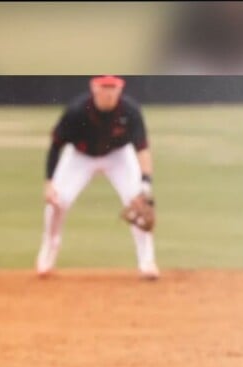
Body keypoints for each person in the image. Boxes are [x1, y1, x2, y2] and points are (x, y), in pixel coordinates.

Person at [36, 75, 160, 280]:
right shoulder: (77, 111)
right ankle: (49, 248)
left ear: (120, 90)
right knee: (57, 201)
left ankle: (147, 262)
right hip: (80, 156)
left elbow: (142, 149)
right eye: (105, 87)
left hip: (118, 155)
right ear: (94, 88)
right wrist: (49, 182)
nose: (109, 92)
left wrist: (145, 184)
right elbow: (56, 145)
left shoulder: (130, 111)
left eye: (113, 87)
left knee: (138, 202)